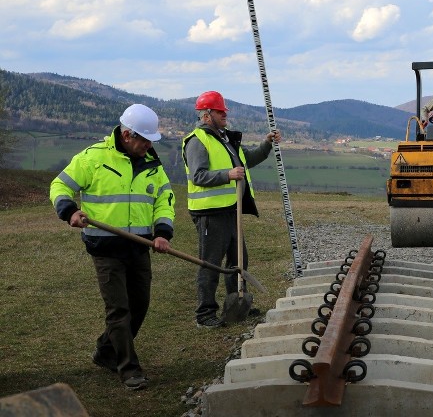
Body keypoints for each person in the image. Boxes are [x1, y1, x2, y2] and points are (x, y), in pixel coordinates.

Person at [49, 104, 175, 391]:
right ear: (128, 135)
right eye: (144, 140)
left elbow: (164, 199)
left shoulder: (152, 164)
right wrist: (69, 211)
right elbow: (60, 185)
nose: (147, 145)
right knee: (119, 310)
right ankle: (129, 369)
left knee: (139, 306)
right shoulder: (93, 158)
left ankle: (107, 351)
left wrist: (163, 232)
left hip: (140, 247)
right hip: (105, 249)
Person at [182, 90, 281, 328]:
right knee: (211, 263)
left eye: (224, 110)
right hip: (210, 212)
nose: (224, 114)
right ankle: (205, 314)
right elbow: (198, 176)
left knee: (239, 260)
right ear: (206, 115)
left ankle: (236, 303)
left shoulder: (226, 140)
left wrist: (267, 143)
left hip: (230, 209)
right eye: (219, 111)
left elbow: (251, 159)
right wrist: (227, 175)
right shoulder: (197, 141)